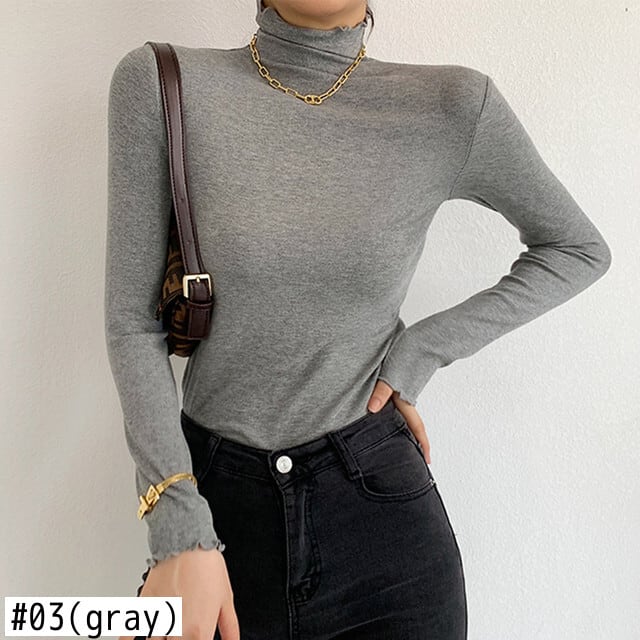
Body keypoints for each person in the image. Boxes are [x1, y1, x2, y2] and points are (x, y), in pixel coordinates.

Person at [105, 1, 612, 638]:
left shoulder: (453, 106)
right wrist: (178, 526)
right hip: (216, 511)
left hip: (383, 522)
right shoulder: (162, 84)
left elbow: (576, 249)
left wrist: (422, 349)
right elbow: (133, 322)